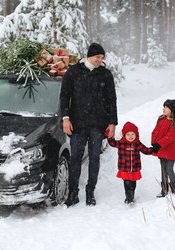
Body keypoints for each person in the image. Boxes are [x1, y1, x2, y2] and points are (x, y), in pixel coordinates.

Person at [60, 43, 118, 207]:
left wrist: (112, 122)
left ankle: (90, 191)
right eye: (97, 57)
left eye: (102, 58)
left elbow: (112, 99)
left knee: (94, 159)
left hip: (98, 125)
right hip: (77, 124)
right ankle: (73, 192)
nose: (100, 60)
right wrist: (65, 118)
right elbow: (64, 96)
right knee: (76, 159)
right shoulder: (74, 72)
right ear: (89, 56)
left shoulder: (105, 75)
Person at [107, 122, 154, 204]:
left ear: (136, 135)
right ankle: (128, 196)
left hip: (135, 168)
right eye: (128, 134)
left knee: (133, 183)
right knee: (127, 183)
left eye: (132, 134)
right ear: (124, 135)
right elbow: (113, 143)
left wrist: (154, 149)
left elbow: (145, 150)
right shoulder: (121, 143)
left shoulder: (137, 143)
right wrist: (109, 136)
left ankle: (132, 193)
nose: (130, 136)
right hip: (124, 168)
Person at [151, 99, 175, 197]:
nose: (163, 109)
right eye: (164, 107)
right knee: (163, 169)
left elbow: (170, 137)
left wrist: (159, 144)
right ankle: (164, 190)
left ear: (172, 110)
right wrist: (154, 143)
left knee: (169, 169)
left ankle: (174, 189)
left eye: (166, 107)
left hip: (170, 150)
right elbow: (155, 131)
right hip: (161, 149)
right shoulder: (161, 119)